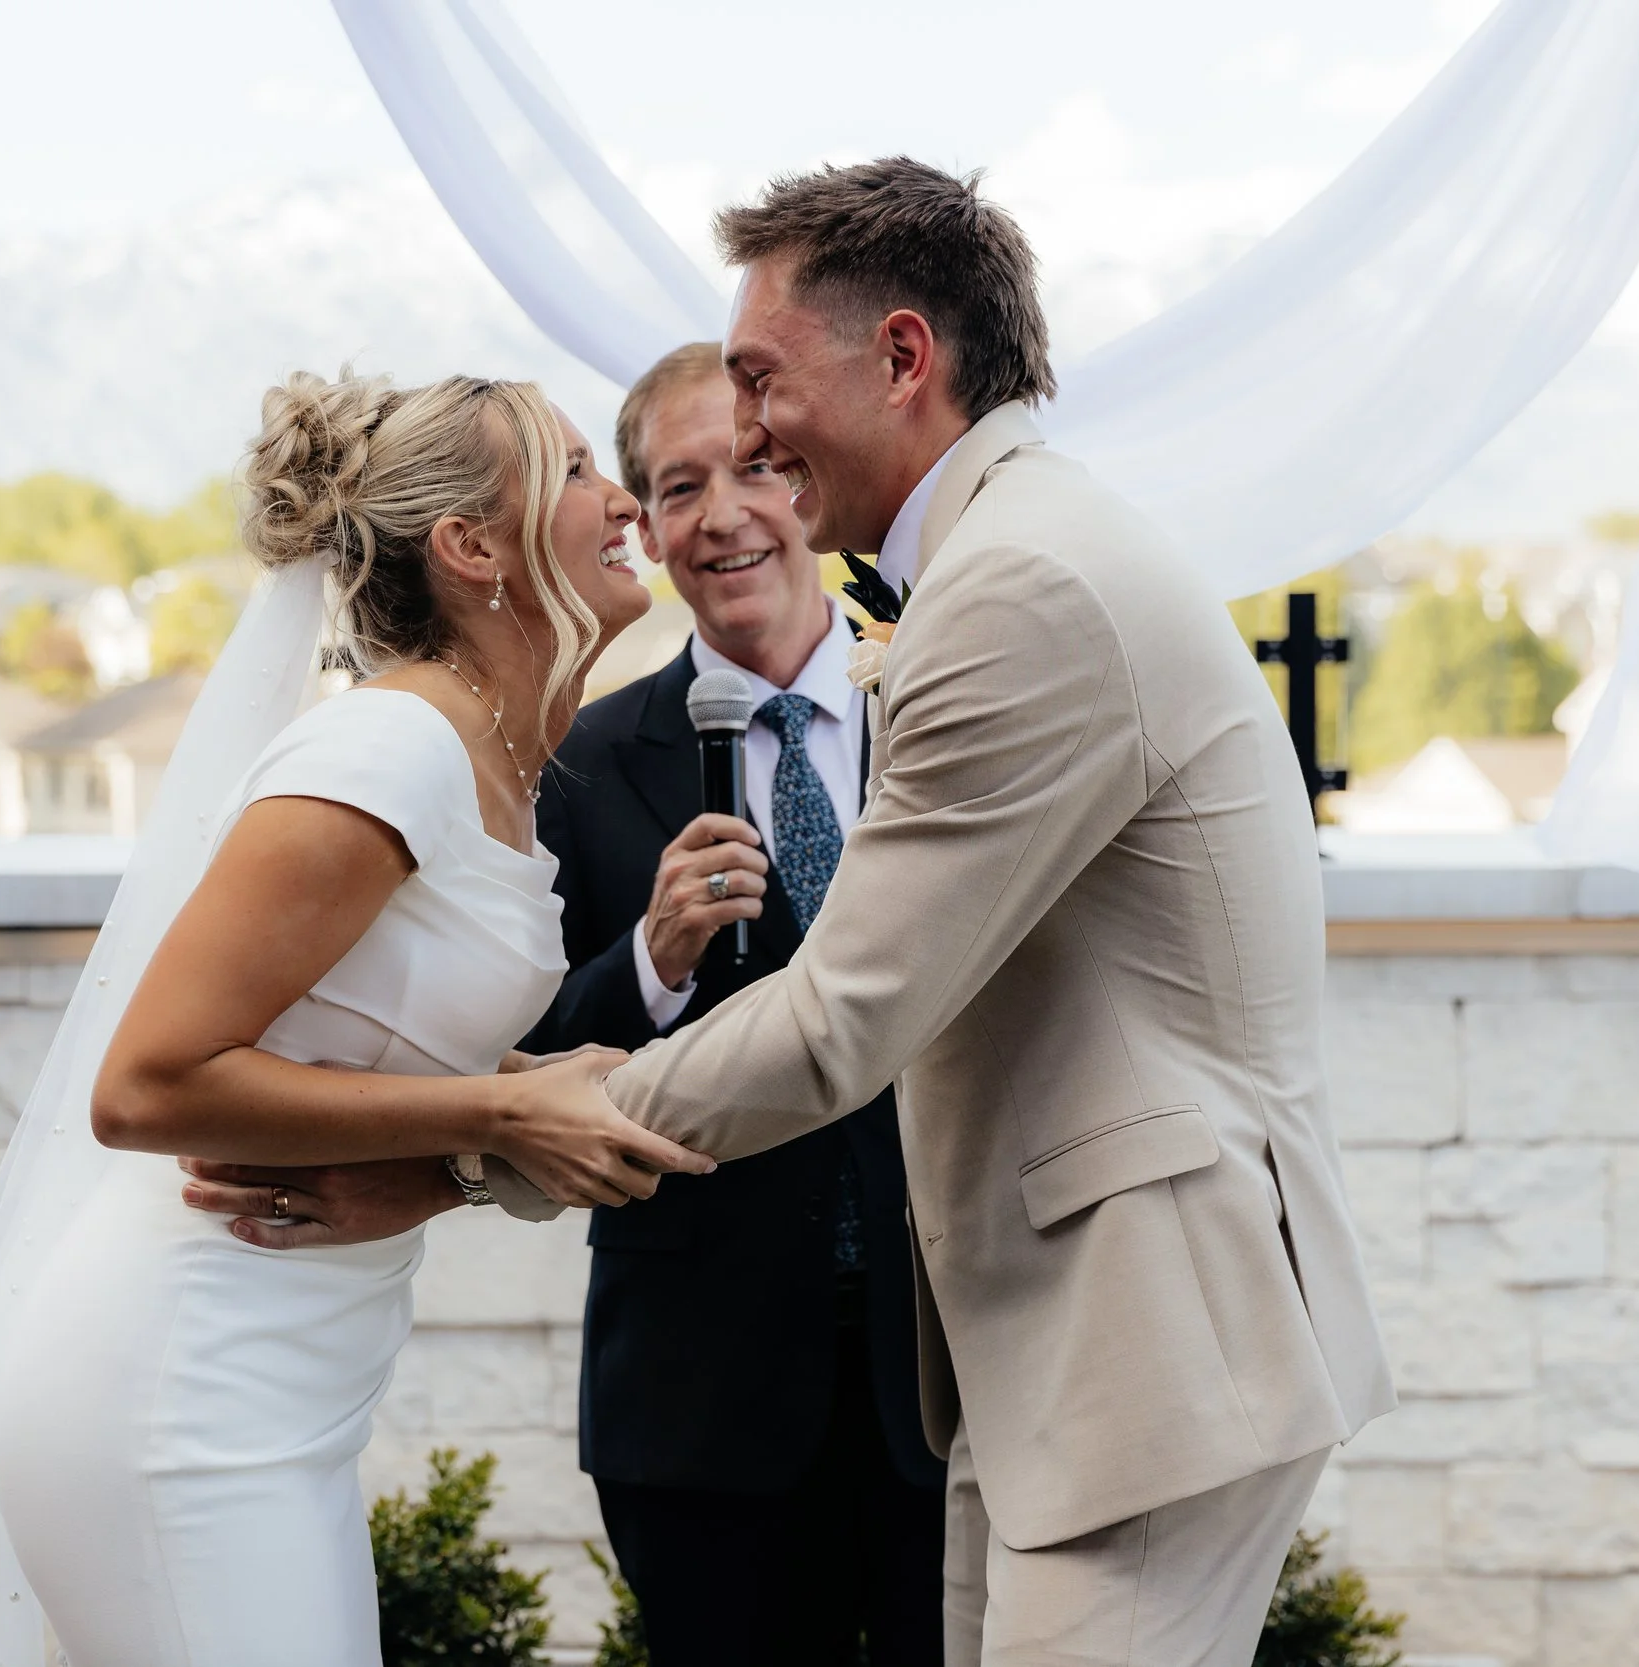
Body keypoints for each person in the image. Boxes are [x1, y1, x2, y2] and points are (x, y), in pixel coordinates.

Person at [523, 159, 1399, 1667]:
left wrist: (492, 1143)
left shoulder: (1018, 587)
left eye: (759, 380)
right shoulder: (1006, 555)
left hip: (1150, 1348)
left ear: (906, 358)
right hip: (1066, 1350)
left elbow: (841, 1015)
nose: (740, 433)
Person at [0, 369, 712, 1667]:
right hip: (178, 1391)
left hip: (284, 1395)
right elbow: (145, 1083)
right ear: (473, 546)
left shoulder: (496, 759)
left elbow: (367, 1041)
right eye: (577, 471)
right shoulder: (389, 750)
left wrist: (451, 1161)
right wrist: (497, 1107)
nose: (621, 503)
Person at [530, 342, 943, 1664]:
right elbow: (523, 1062)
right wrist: (647, 958)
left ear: (808, 484)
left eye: (757, 466)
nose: (724, 515)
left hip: (943, 1375)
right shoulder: (588, 761)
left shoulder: (939, 707)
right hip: (700, 1399)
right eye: (678, 486)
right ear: (645, 530)